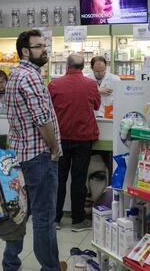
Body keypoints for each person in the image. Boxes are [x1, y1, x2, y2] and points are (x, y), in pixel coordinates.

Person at [4, 29, 65, 271]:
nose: (44, 50)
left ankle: (10, 263)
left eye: (44, 46)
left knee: (20, 214)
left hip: (20, 155)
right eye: (39, 46)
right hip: (39, 156)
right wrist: (54, 147)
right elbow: (42, 120)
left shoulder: (15, 75)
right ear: (26, 51)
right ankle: (50, 267)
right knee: (44, 218)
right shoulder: (30, 77)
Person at [48, 53, 101, 232]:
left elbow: (48, 109)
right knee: (79, 179)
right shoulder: (91, 84)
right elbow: (96, 106)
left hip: (60, 138)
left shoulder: (54, 84)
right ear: (84, 65)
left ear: (66, 65)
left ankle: (55, 219)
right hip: (83, 138)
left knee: (59, 178)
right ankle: (78, 220)